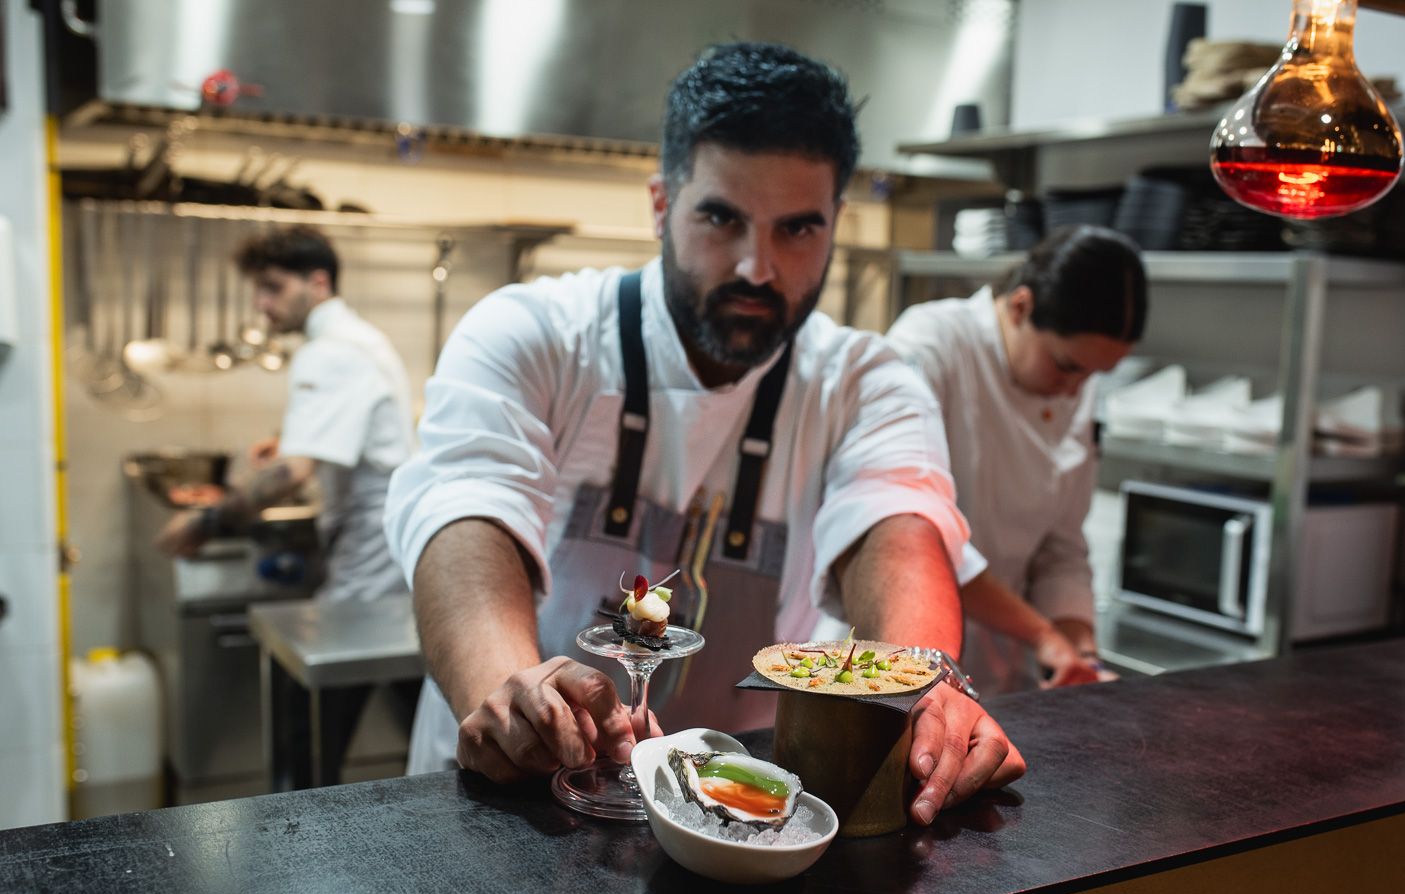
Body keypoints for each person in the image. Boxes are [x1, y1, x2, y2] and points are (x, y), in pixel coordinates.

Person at [384, 41, 1024, 826]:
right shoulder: (534, 333)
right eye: (722, 218)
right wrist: (514, 698)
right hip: (512, 809)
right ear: (661, 204)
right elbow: (465, 513)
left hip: (741, 817)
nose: (758, 267)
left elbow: (899, 529)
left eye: (798, 229)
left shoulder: (866, 381)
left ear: (836, 224)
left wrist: (923, 687)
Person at [155, 226, 416, 773]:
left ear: (317, 282)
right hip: (385, 545)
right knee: (403, 690)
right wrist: (292, 438)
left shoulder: (331, 352)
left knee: (313, 712)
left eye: (272, 287)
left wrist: (208, 520)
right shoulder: (360, 339)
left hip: (372, 550)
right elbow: (348, 433)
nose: (261, 303)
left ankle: (302, 814)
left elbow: (290, 475)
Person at [886, 224, 1147, 695]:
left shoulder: (1072, 386)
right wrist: (1042, 636)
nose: (1074, 391)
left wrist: (1079, 655)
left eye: (1093, 375)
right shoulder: (931, 346)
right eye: (1067, 366)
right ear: (1021, 306)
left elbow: (1061, 547)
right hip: (895, 654)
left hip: (1002, 670)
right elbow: (910, 533)